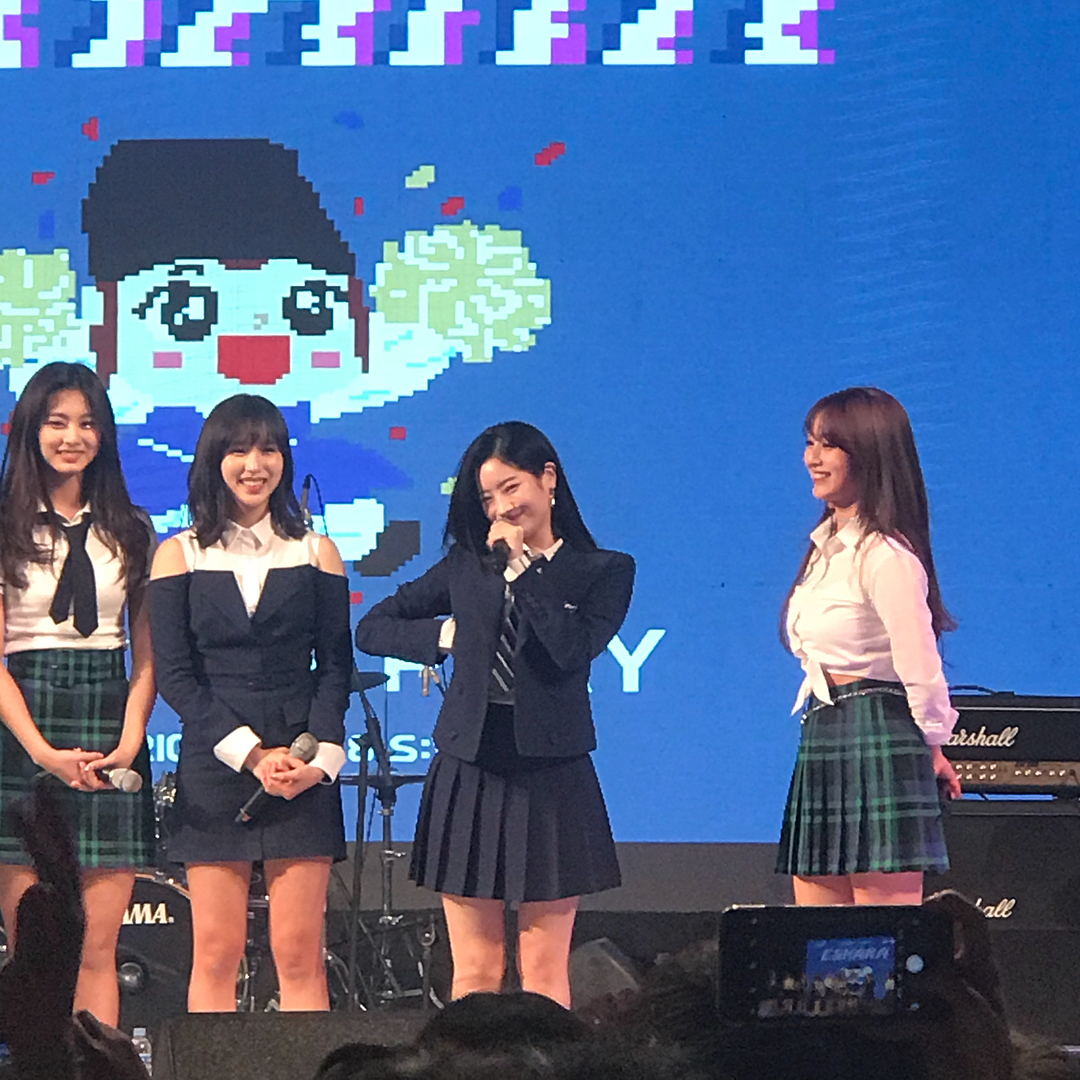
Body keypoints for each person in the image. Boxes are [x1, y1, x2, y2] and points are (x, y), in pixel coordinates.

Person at [355, 421, 634, 1007]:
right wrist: (444, 635)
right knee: (475, 968)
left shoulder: (603, 571)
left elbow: (569, 649)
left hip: (552, 772)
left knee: (543, 969)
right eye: (488, 498)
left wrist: (523, 568)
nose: (501, 508)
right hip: (470, 768)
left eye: (511, 488)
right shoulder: (466, 566)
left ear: (548, 479)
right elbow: (373, 626)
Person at [148, 393, 352, 1012]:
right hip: (216, 769)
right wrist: (253, 755)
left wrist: (317, 761)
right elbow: (176, 678)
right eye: (238, 450)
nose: (254, 464)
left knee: (300, 953)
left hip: (301, 769)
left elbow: (335, 668)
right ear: (215, 460)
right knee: (215, 952)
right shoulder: (179, 553)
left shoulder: (315, 551)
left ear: (284, 460)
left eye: (268, 449)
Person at [0, 361, 156, 1026]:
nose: (73, 437)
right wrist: (40, 751)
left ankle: (96, 1066)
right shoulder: (5, 526)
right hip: (22, 725)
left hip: (107, 720)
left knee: (97, 948)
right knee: (34, 952)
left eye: (87, 424)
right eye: (57, 423)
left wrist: (130, 739)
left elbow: (147, 654)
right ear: (31, 431)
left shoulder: (133, 528)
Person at [777, 386, 962, 907]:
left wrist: (932, 746)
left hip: (878, 731)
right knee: (816, 939)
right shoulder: (825, 551)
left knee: (882, 937)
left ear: (869, 455)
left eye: (829, 445)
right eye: (810, 442)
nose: (813, 458)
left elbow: (920, 667)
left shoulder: (885, 556)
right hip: (825, 727)